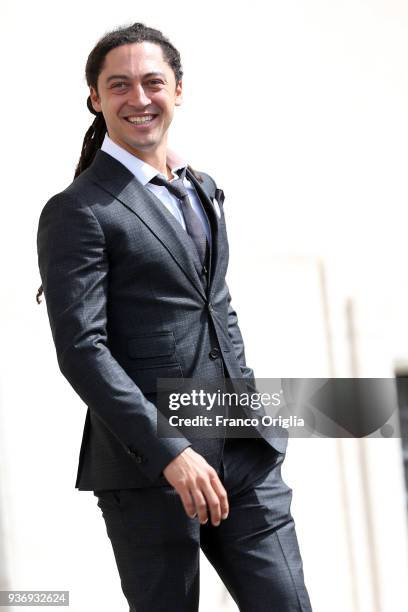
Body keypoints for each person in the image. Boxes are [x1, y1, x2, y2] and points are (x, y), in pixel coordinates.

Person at [36, 22, 313, 612]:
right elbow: (82, 350)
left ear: (178, 90)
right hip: (148, 471)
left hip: (243, 452)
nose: (138, 98)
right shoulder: (78, 210)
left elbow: (218, 311)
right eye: (119, 86)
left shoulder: (202, 188)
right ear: (96, 99)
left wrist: (264, 421)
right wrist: (169, 452)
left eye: (152, 82)